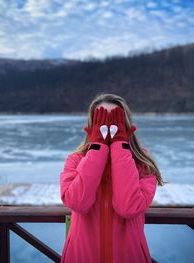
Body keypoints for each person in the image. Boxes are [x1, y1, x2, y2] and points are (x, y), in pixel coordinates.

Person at [60, 93, 165, 263]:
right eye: (102, 120)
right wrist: (98, 147)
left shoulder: (142, 164)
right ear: (92, 125)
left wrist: (120, 146)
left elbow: (128, 207)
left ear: (125, 124)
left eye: (114, 120)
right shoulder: (76, 160)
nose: (108, 125)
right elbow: (78, 202)